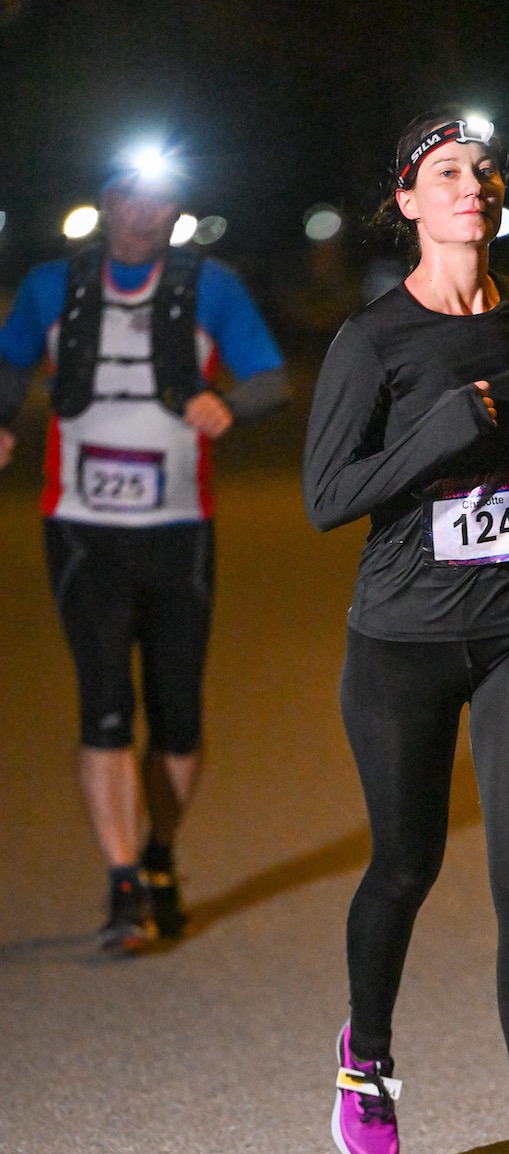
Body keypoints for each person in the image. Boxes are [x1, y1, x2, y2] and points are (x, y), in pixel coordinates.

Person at [301, 108, 509, 1154]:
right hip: (400, 643)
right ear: (406, 199)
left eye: (480, 170)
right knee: (405, 863)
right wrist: (439, 426)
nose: (468, 185)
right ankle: (365, 1055)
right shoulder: (370, 339)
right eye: (444, 172)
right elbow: (326, 496)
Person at [0, 159, 289, 950]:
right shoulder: (49, 287)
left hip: (178, 532)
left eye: (160, 198)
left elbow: (271, 379)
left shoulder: (212, 288)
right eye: (130, 195)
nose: (144, 211)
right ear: (106, 202)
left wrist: (225, 403)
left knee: (179, 724)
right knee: (104, 706)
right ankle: (123, 881)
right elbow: (10, 359)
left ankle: (158, 854)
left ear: (176, 209)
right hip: (80, 530)